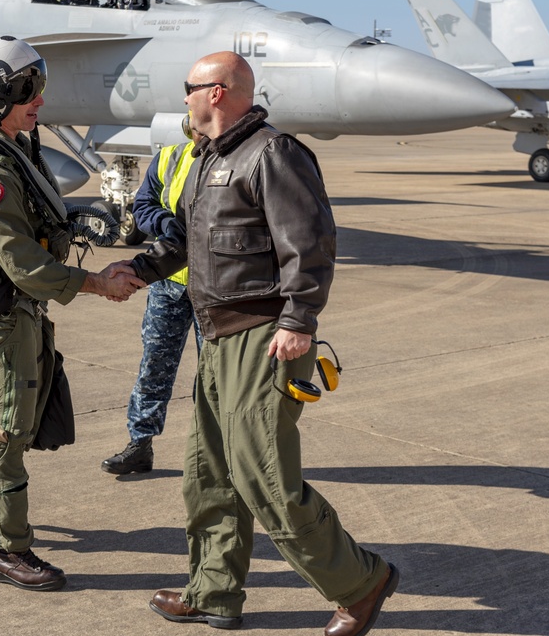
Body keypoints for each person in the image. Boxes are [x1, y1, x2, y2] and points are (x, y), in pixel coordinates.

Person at [115, 51, 398, 635]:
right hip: (216, 337)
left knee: (265, 477)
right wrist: (138, 272)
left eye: (188, 87)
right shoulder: (203, 160)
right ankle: (215, 593)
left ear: (216, 92)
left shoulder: (273, 154)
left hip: (261, 338)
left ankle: (360, 583)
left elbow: (310, 243)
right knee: (207, 474)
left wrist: (299, 320)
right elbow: (191, 244)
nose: (184, 97)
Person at [0, 35, 143, 592]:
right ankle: (7, 550)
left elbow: (36, 227)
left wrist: (77, 225)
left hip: (19, 312)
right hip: (6, 316)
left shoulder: (14, 146)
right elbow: (20, 261)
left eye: (38, 85)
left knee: (13, 411)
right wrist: (93, 283)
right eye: (28, 89)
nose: (39, 99)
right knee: (8, 429)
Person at [101, 115, 203, 475]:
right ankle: (140, 444)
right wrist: (163, 222)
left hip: (214, 289)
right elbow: (142, 206)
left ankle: (215, 451)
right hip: (169, 283)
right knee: (154, 365)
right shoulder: (170, 157)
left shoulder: (233, 160)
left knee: (216, 373)